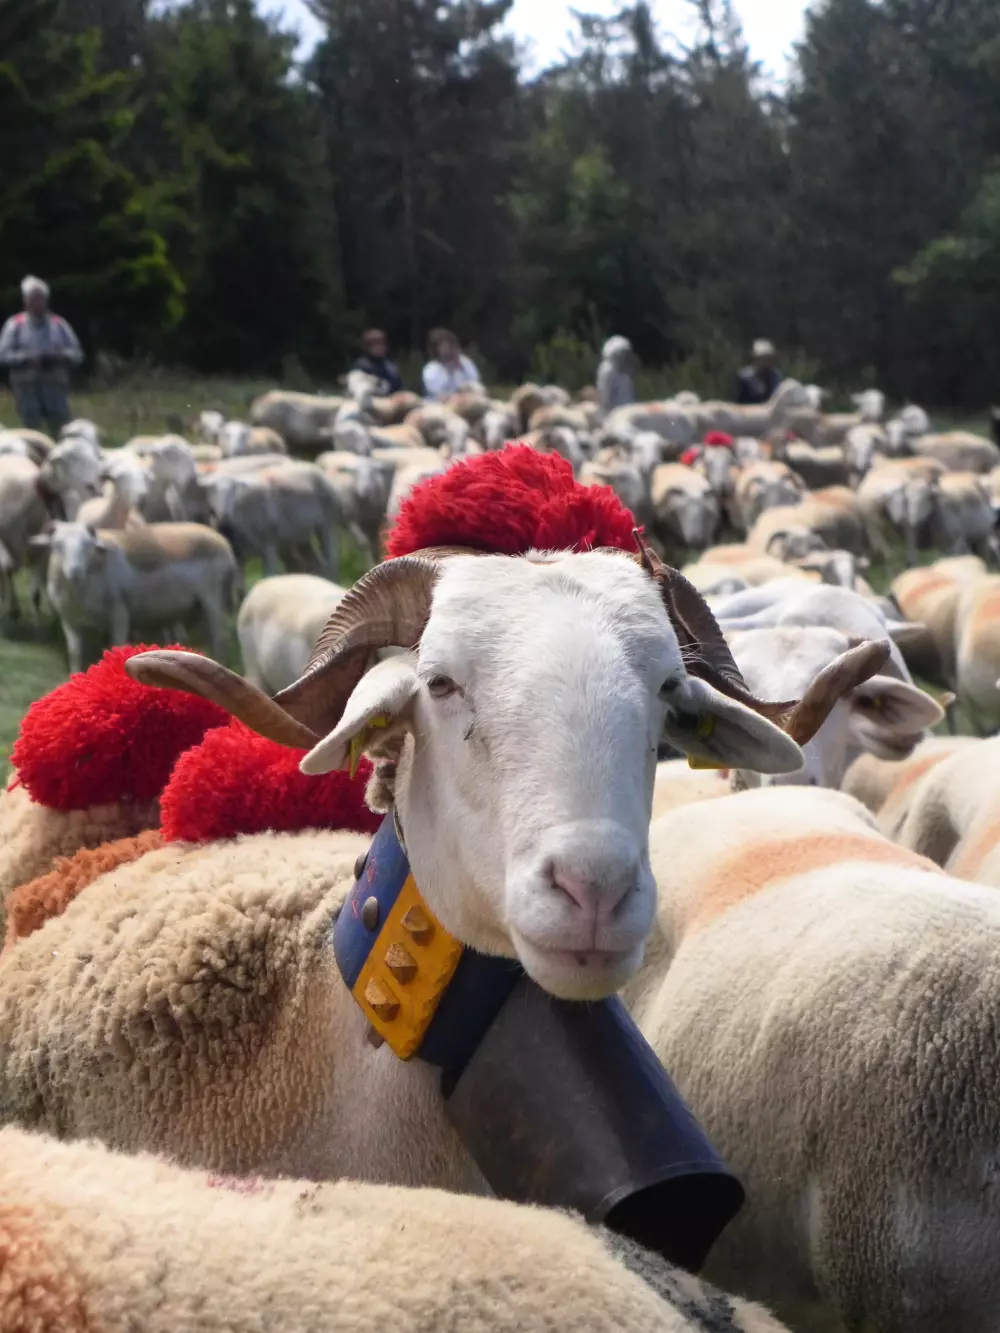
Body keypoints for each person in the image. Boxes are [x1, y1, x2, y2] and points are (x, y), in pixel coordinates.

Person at [0, 276, 83, 434]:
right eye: (32, 298)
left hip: (55, 384)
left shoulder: (59, 324)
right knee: (31, 429)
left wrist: (61, 356)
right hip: (26, 387)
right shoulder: (15, 324)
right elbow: (3, 355)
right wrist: (25, 358)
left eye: (40, 298)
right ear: (25, 301)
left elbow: (77, 353)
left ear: (47, 300)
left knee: (61, 427)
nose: (37, 302)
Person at [422, 328, 481, 401]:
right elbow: (439, 394)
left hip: (468, 401)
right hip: (438, 404)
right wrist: (451, 372)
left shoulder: (466, 362)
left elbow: (475, 383)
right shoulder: (431, 369)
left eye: (453, 347)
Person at [353, 328, 403, 395]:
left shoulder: (389, 363)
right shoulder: (362, 365)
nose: (381, 348)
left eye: (383, 344)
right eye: (377, 344)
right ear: (368, 347)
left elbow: (398, 383)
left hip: (392, 398)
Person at [596, 335, 636, 416]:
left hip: (627, 408)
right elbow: (604, 394)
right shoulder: (607, 369)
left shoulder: (623, 368)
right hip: (614, 411)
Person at [736, 339, 782, 406]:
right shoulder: (745, 378)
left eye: (768, 358)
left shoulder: (776, 377)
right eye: (763, 358)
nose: (766, 361)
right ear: (756, 358)